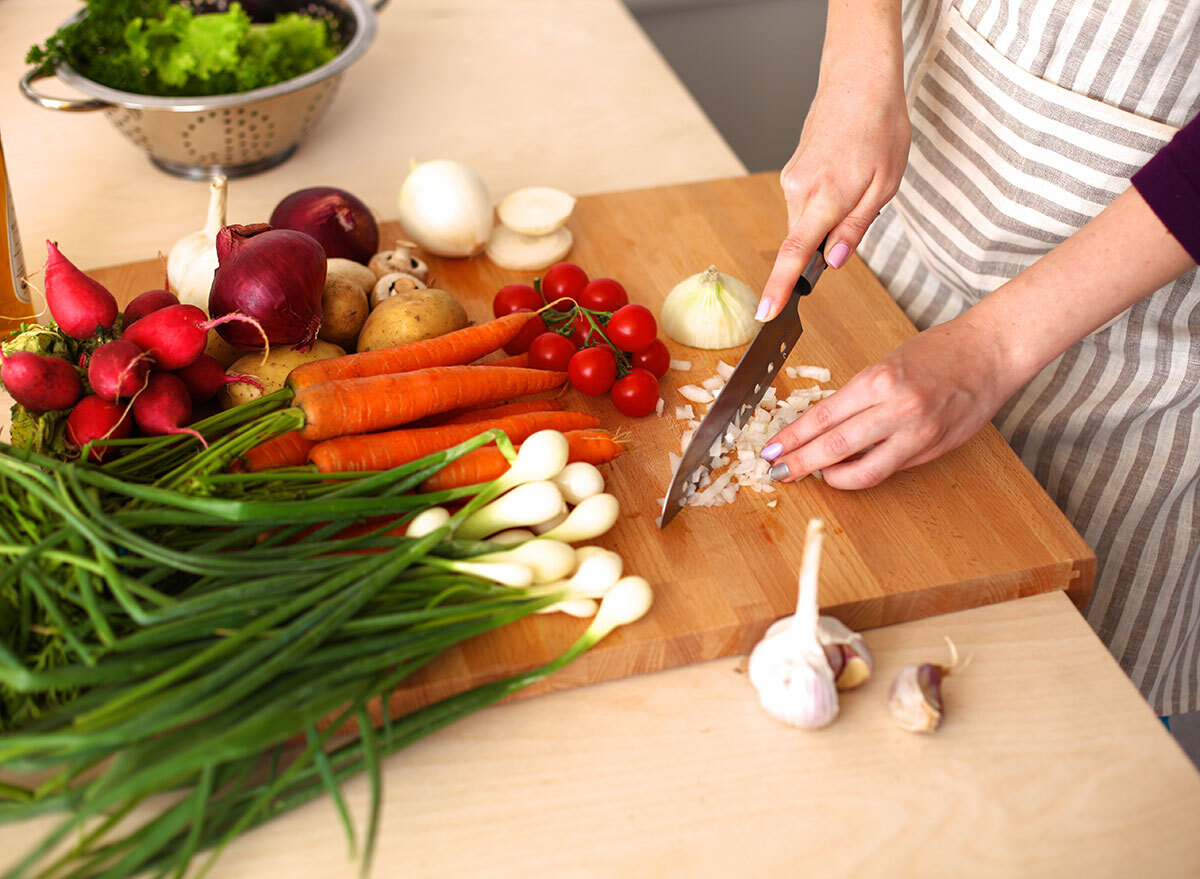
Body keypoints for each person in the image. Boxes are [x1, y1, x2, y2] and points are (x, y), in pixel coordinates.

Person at [757, 0, 1200, 718]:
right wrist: (857, 64)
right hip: (923, 198)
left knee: (1033, 733)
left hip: (1133, 361)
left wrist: (993, 347)